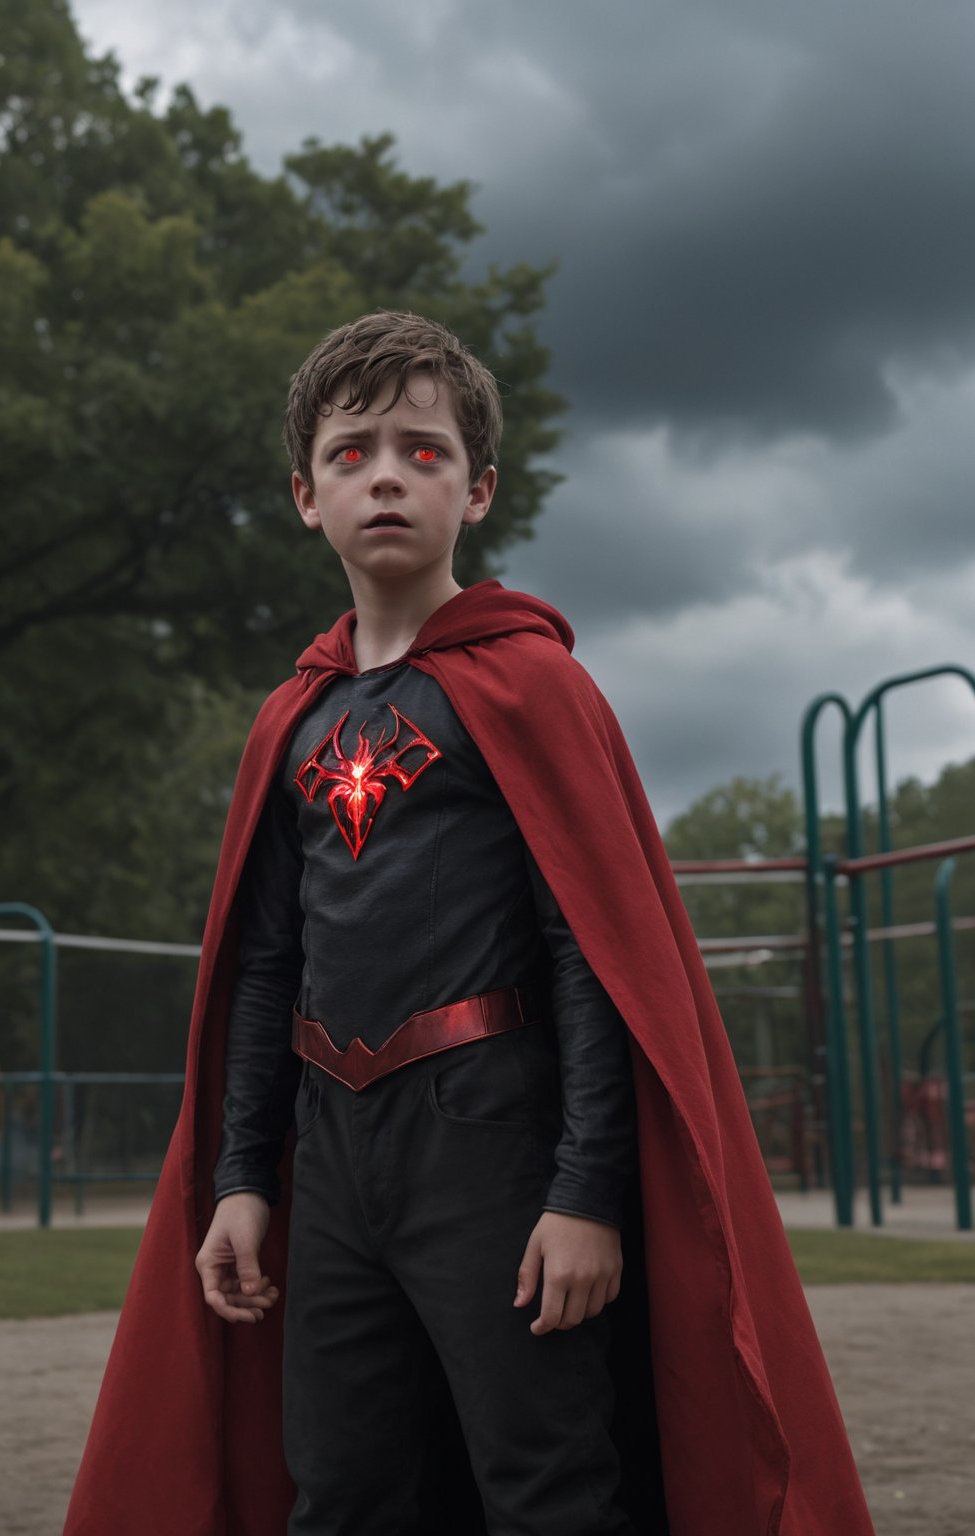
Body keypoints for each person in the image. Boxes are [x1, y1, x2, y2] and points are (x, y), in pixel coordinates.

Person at [66, 312, 875, 1535]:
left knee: (544, 1482)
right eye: (350, 453)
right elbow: (264, 965)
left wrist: (587, 1193)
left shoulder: (533, 684)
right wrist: (241, 1178)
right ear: (305, 495)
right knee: (339, 1490)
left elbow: (594, 959)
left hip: (493, 1143)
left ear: (477, 487)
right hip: (331, 1155)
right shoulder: (290, 717)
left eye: (423, 450)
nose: (385, 474)